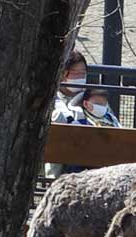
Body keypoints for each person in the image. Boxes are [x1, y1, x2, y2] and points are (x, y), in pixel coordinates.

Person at [46, 50, 89, 178]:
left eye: (84, 73)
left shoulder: (92, 97)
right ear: (63, 74)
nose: (81, 78)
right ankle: (53, 181)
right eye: (76, 74)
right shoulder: (52, 99)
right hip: (62, 157)